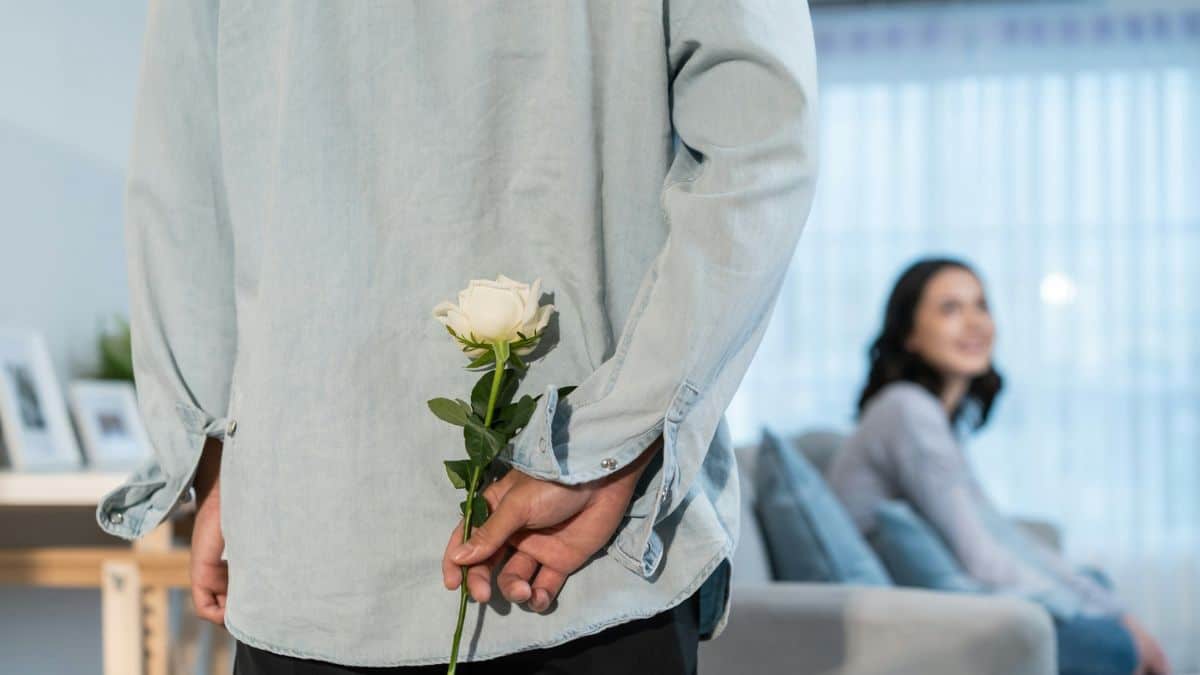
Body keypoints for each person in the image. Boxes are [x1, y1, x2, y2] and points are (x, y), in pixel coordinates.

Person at [94, 1, 819, 673]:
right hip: (571, 560)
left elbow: (182, 169)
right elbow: (760, 140)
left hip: (353, 539)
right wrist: (612, 440)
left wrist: (212, 446)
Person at [826, 257, 1172, 675]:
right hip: (916, 620)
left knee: (1098, 591)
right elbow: (981, 556)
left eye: (981, 306)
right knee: (1110, 644)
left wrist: (1108, 606)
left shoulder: (931, 418)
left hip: (945, 603)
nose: (974, 323)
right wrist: (1103, 618)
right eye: (950, 309)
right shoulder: (906, 410)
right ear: (910, 335)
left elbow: (1001, 532)